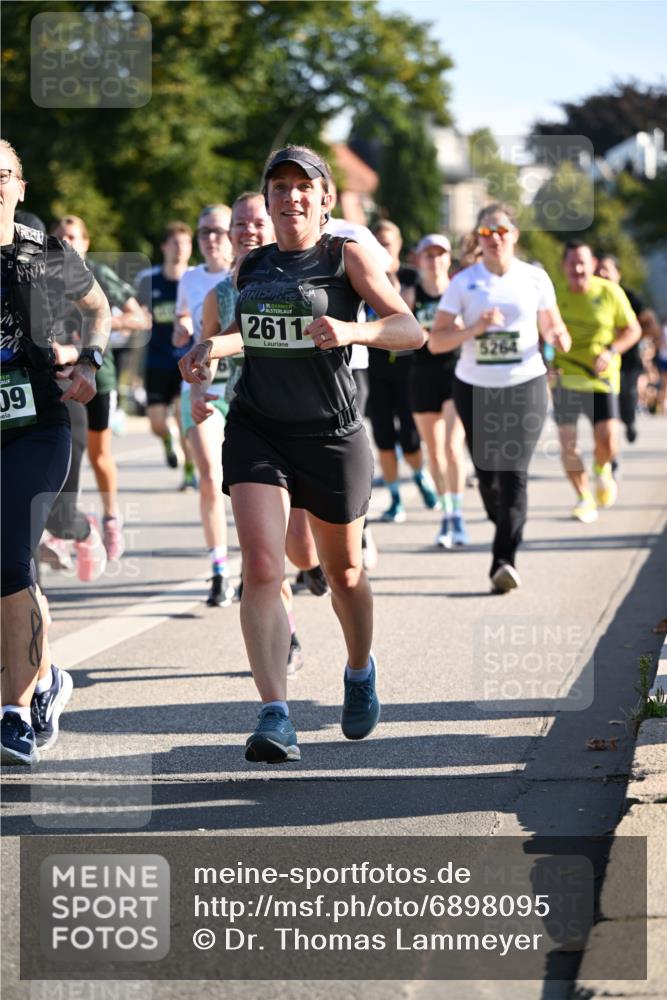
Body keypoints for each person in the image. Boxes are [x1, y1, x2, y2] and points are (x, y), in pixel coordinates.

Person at [180, 144, 424, 763]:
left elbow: (409, 328)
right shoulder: (250, 267)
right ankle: (275, 712)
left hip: (332, 433)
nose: (290, 197)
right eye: (279, 188)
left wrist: (353, 329)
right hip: (259, 429)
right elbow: (247, 334)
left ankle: (360, 667)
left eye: (302, 187)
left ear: (324, 200)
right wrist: (211, 350)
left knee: (343, 573)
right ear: (267, 201)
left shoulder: (347, 257)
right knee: (263, 566)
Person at [0, 139, 111, 763]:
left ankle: (15, 712)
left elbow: (97, 308)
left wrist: (90, 361)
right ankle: (48, 679)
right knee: (9, 564)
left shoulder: (44, 250)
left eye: (3, 174)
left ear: (21, 185)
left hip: (39, 422)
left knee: (11, 561)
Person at [430, 203, 571, 593]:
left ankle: (503, 560)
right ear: (479, 239)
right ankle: (504, 523)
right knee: (489, 476)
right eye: (487, 233)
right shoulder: (463, 282)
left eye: (502, 231)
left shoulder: (534, 278)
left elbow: (552, 322)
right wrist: (475, 328)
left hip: (524, 384)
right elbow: (436, 341)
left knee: (513, 473)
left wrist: (559, 336)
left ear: (515, 234)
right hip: (475, 387)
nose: (496, 239)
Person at [53, 215, 149, 559]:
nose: (69, 243)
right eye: (62, 237)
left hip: (98, 374)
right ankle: (62, 528)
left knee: (98, 454)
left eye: (75, 237)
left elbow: (141, 318)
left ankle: (110, 518)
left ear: (87, 242)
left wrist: (102, 319)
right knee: (66, 453)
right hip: (60, 373)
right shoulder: (45, 270)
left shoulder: (98, 273)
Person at [174, 204, 235, 606]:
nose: (210, 238)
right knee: (211, 478)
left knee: (254, 487)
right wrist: (182, 326)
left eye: (218, 230)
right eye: (203, 232)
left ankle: (266, 565)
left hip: (247, 388)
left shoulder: (250, 275)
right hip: (204, 385)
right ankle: (218, 569)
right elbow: (184, 317)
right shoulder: (191, 278)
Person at [554, 241, 641, 523]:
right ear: (563, 266)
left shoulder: (609, 293)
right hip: (566, 376)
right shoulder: (555, 296)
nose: (578, 268)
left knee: (608, 441)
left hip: (600, 378)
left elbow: (633, 330)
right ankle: (583, 497)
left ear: (592, 265)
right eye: (572, 263)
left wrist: (611, 350)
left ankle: (602, 469)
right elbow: (538, 330)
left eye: (583, 262)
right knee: (568, 444)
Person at [366, 219, 438, 522]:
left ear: (398, 244)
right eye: (378, 241)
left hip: (410, 368)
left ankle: (421, 475)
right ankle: (395, 498)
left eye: (389, 241)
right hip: (375, 367)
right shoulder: (363, 277)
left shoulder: (412, 278)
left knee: (409, 438)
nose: (383, 247)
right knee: (383, 435)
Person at [403, 234, 469, 548]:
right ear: (419, 259)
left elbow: (474, 327)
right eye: (428, 254)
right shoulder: (412, 293)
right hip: (421, 375)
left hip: (455, 372)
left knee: (453, 447)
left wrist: (456, 331)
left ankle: (457, 516)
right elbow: (400, 329)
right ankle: (446, 513)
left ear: (448, 257)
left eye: (440, 254)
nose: (434, 259)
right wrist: (423, 332)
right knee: (435, 453)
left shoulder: (459, 290)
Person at [137, 221, 197, 489]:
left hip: (187, 360)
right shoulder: (148, 279)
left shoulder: (195, 278)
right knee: (157, 424)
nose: (180, 248)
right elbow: (135, 315)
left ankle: (189, 471)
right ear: (164, 246)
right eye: (175, 242)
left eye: (185, 243)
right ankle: (167, 439)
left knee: (183, 419)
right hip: (156, 361)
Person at [594, 253, 660, 444]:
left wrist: (631, 335)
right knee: (606, 406)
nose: (602, 273)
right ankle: (609, 445)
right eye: (599, 270)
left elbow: (651, 325)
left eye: (607, 269)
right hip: (600, 360)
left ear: (618, 273)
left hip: (627, 360)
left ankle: (629, 422)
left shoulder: (629, 297)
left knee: (627, 395)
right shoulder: (591, 296)